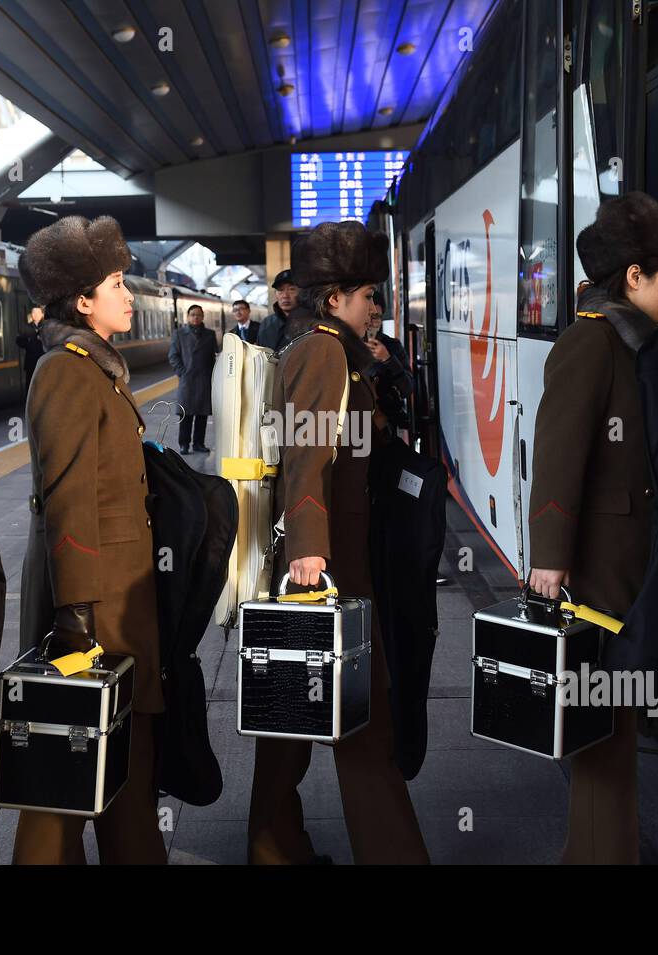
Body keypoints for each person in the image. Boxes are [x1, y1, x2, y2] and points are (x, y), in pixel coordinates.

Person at [248, 220, 429, 865]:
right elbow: (307, 453)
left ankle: (273, 843)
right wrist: (309, 550)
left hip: (336, 551)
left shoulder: (332, 350)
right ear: (335, 300)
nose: (375, 307)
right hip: (331, 561)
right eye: (367, 295)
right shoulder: (323, 352)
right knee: (363, 720)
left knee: (293, 714)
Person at [525, 191, 658, 864]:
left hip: (624, 575)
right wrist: (550, 563)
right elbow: (558, 459)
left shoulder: (636, 344)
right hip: (594, 578)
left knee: (611, 735)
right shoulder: (589, 344)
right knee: (602, 737)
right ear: (633, 277)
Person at [14, 214, 167, 865]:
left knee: (118, 762)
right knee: (68, 775)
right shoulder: (67, 373)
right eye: (115, 281)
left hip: (111, 598)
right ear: (81, 299)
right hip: (93, 608)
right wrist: (75, 622)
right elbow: (68, 502)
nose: (128, 294)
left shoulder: (95, 367)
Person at [167, 303, 216, 454]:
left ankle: (199, 444)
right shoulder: (179, 333)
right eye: (193, 314)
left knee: (202, 415)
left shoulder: (210, 334)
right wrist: (183, 372)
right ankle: (184, 444)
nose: (196, 317)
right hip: (187, 380)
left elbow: (213, 356)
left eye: (199, 315)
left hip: (204, 379)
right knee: (185, 415)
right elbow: (173, 355)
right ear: (188, 317)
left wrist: (213, 376)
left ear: (203, 317)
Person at [364, 290, 413, 431]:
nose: (372, 323)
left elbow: (407, 388)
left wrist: (388, 359)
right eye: (369, 316)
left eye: (377, 317)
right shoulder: (348, 345)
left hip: (386, 426)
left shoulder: (392, 346)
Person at [256, 269, 298, 351]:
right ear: (276, 294)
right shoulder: (266, 324)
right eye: (280, 290)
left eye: (292, 289)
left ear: (302, 292)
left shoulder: (313, 323)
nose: (285, 295)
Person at [16, 305, 46, 388]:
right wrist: (28, 343)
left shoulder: (46, 327)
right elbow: (18, 341)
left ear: (42, 314)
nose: (35, 314)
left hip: (44, 361)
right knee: (30, 386)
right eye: (33, 312)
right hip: (30, 363)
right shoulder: (26, 327)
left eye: (37, 312)